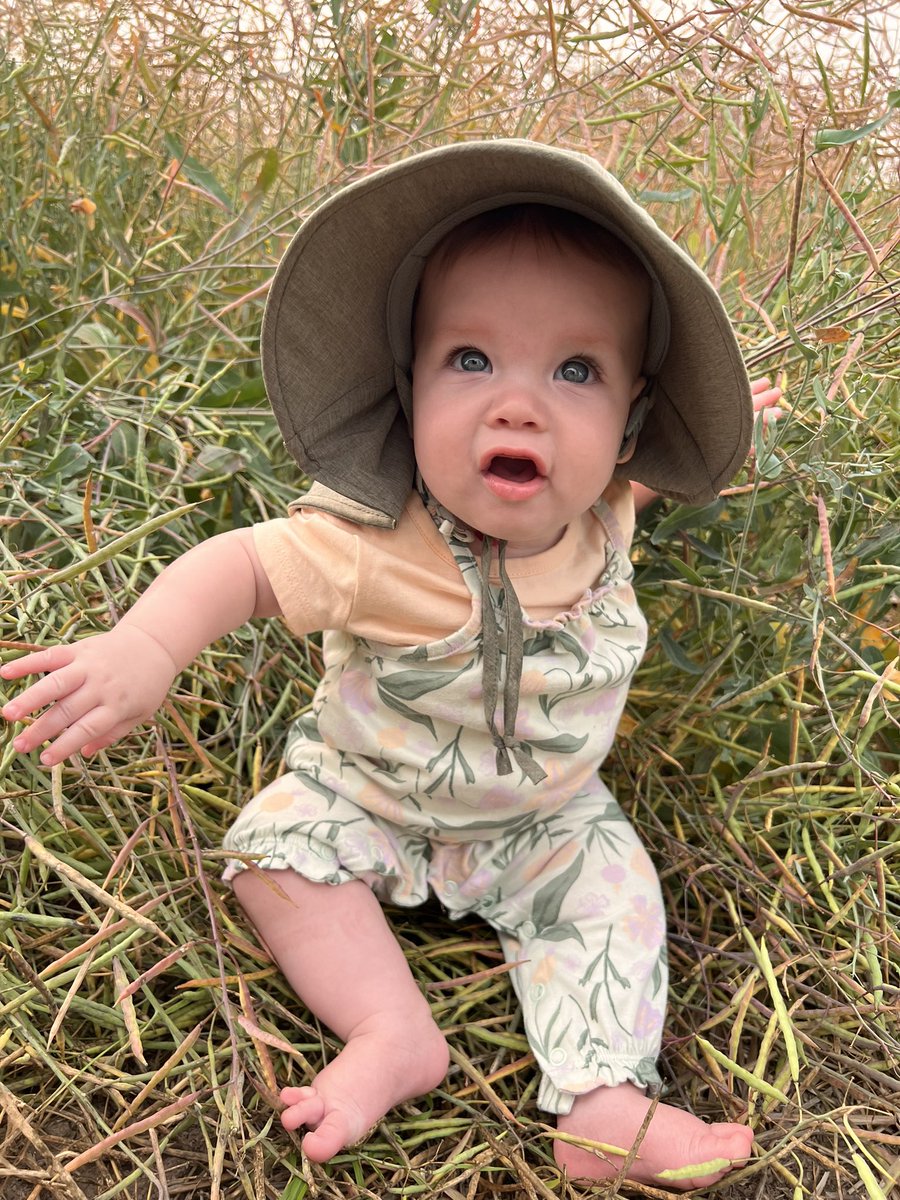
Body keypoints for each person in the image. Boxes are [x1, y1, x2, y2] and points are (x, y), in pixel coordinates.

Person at [1, 141, 781, 1188]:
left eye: (576, 371)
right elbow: (243, 567)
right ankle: (390, 1030)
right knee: (273, 851)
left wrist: (719, 449)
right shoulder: (375, 545)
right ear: (406, 388)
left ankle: (604, 1101)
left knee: (617, 900)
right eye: (471, 360)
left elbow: (634, 491)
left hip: (548, 818)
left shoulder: (600, 519)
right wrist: (148, 644)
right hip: (368, 794)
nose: (519, 406)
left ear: (632, 418)